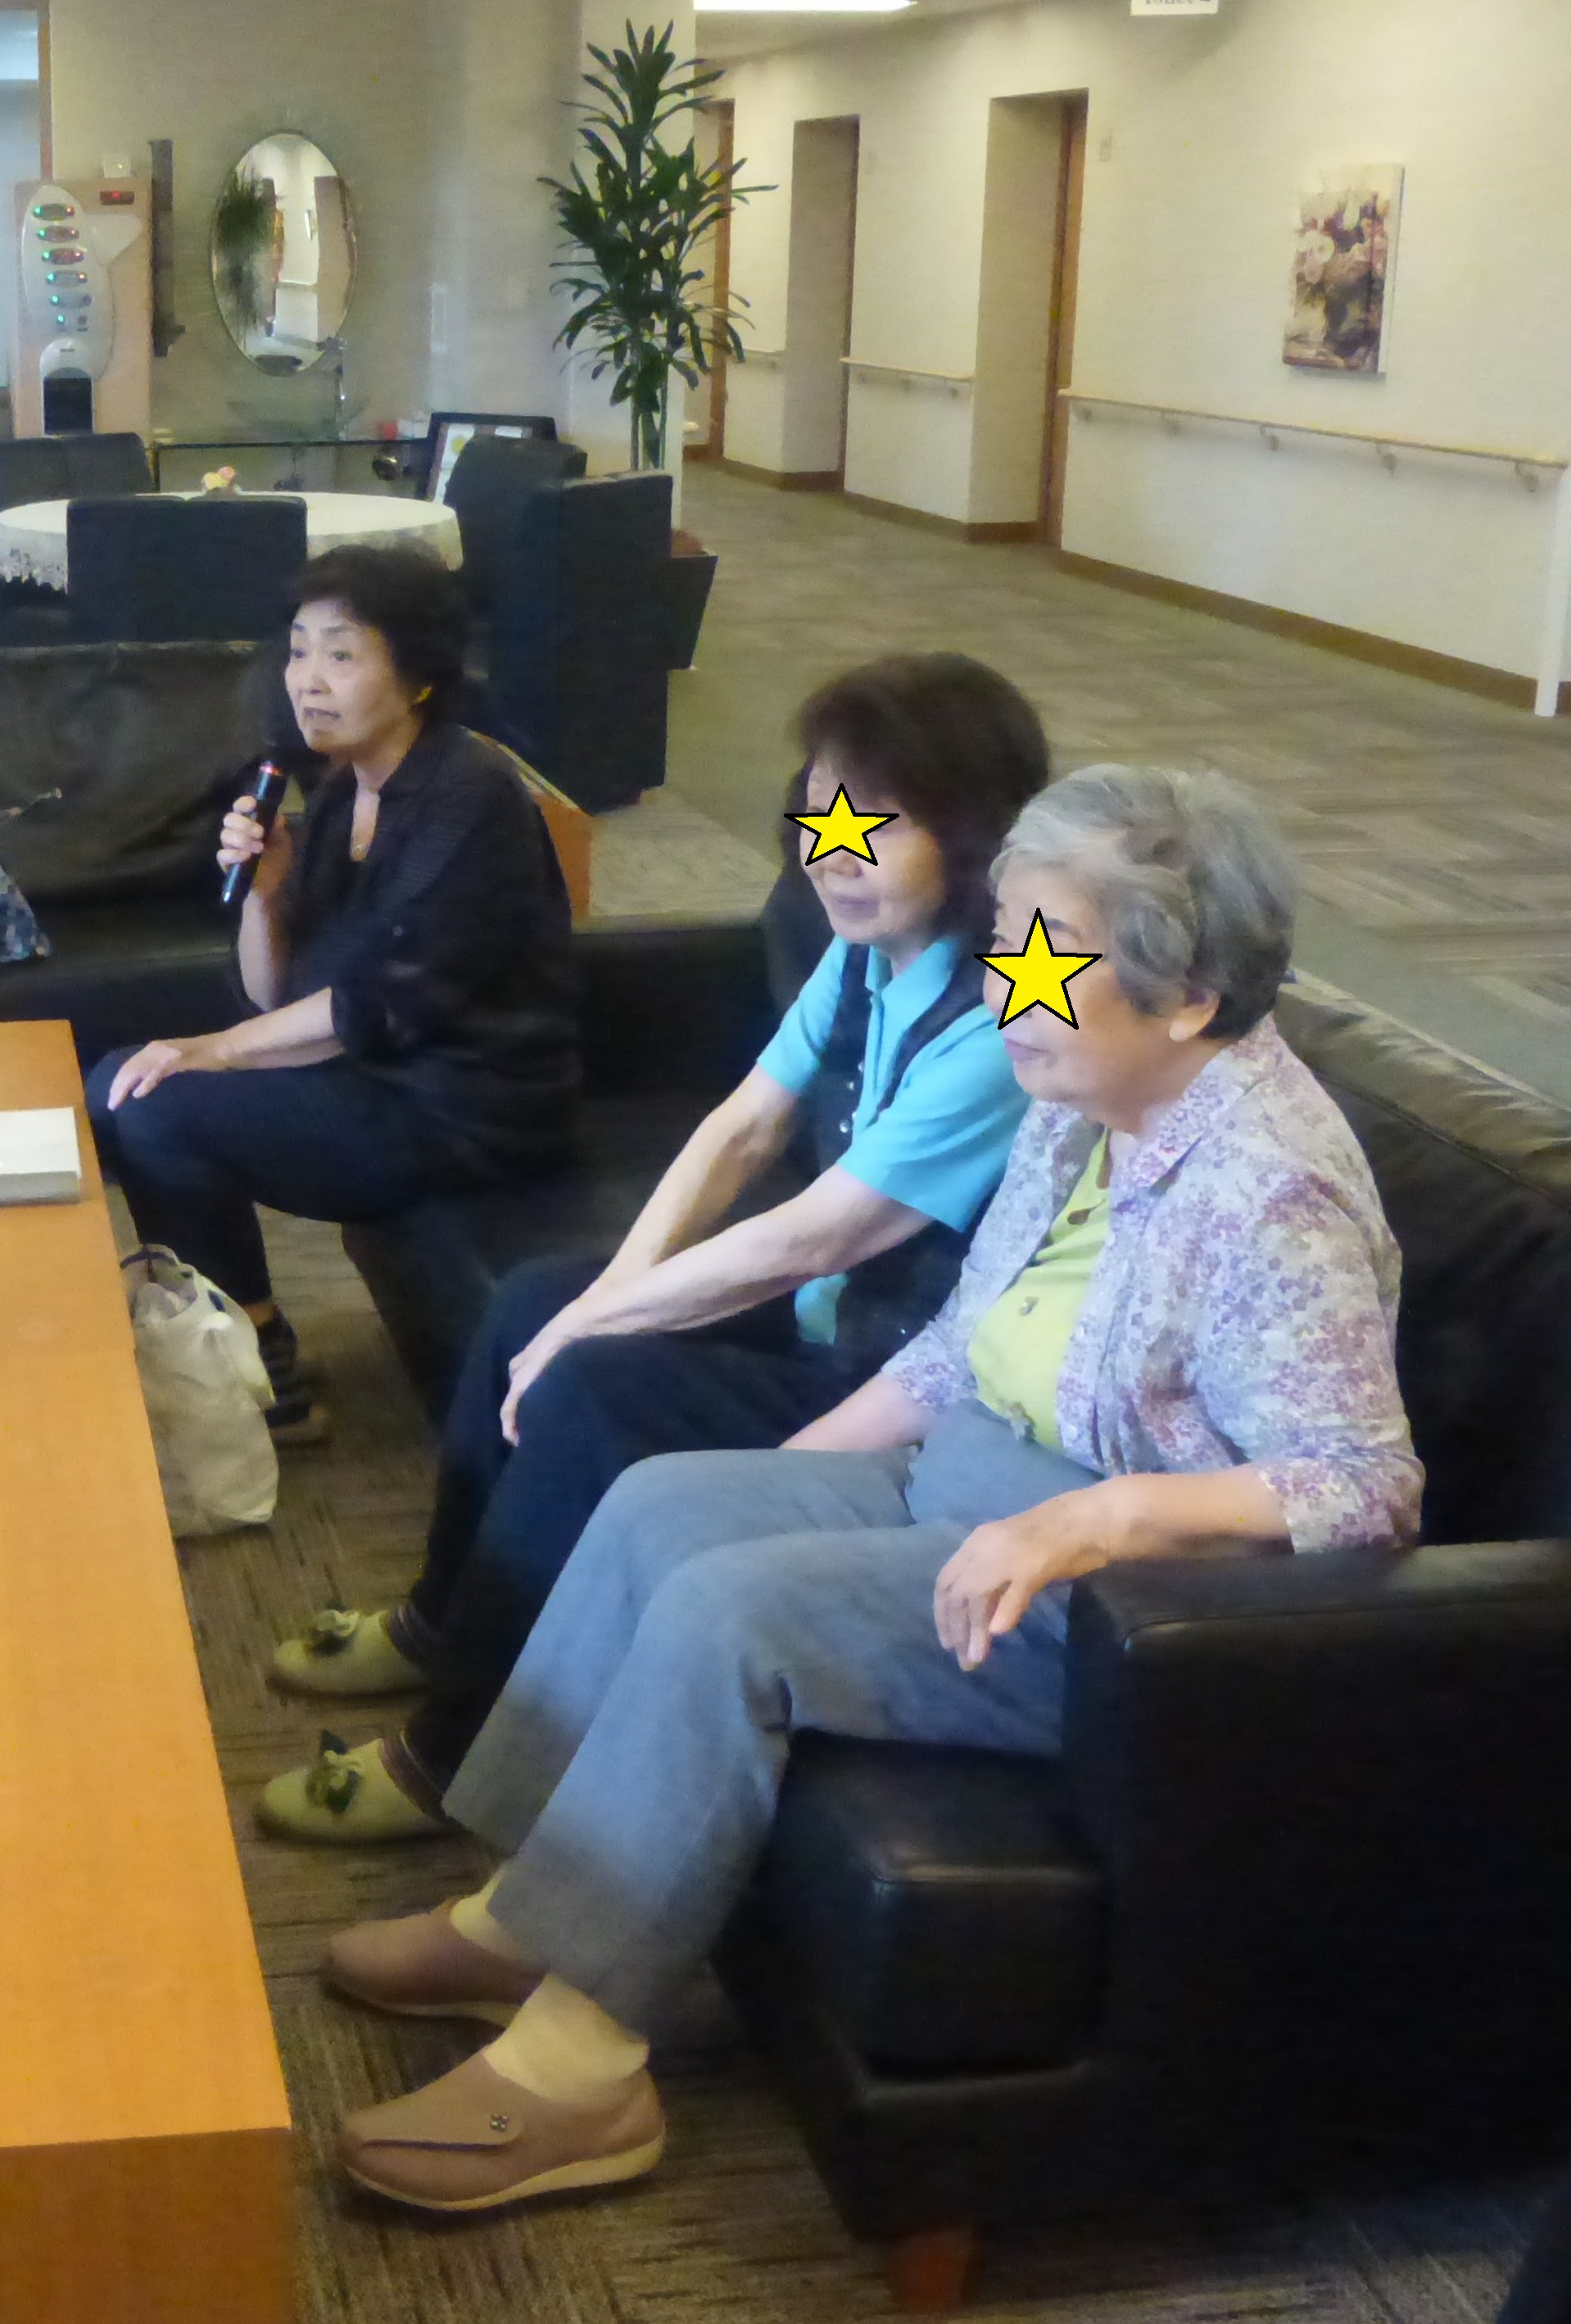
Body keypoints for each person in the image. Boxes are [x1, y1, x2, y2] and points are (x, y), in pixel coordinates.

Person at [315, 764, 1415, 2218]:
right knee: (660, 1510)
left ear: (1188, 1000)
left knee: (734, 1613)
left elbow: (1363, 1486)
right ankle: (533, 1919)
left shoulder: (1271, 1191)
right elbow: (959, 1347)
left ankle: (586, 2071)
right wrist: (765, 1484)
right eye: (1008, 938)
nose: (1008, 983)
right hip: (964, 1477)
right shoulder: (1081, 1096)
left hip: (1118, 1604)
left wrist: (1098, 1517)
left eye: (1048, 950)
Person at [261, 654, 1051, 1842]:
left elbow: (818, 1233)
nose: (831, 852)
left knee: (585, 1379)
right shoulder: (864, 948)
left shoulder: (1011, 1014)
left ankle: (450, 1758)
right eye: (820, 811)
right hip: (832, 1308)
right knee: (534, 1300)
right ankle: (438, 1624)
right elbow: (743, 1127)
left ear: (975, 836)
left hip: (899, 1380)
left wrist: (596, 1328)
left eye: (877, 824)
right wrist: (608, 1291)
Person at [87, 544, 578, 1423]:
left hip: (462, 1106)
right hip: (373, 1076)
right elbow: (273, 998)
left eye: (341, 654)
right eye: (298, 650)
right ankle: (248, 1339)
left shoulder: (470, 797)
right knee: (124, 1083)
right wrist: (265, 898)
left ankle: (258, 1370)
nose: (307, 680)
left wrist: (212, 1051)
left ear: (418, 676)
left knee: (154, 1101)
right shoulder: (343, 789)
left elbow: (377, 1005)